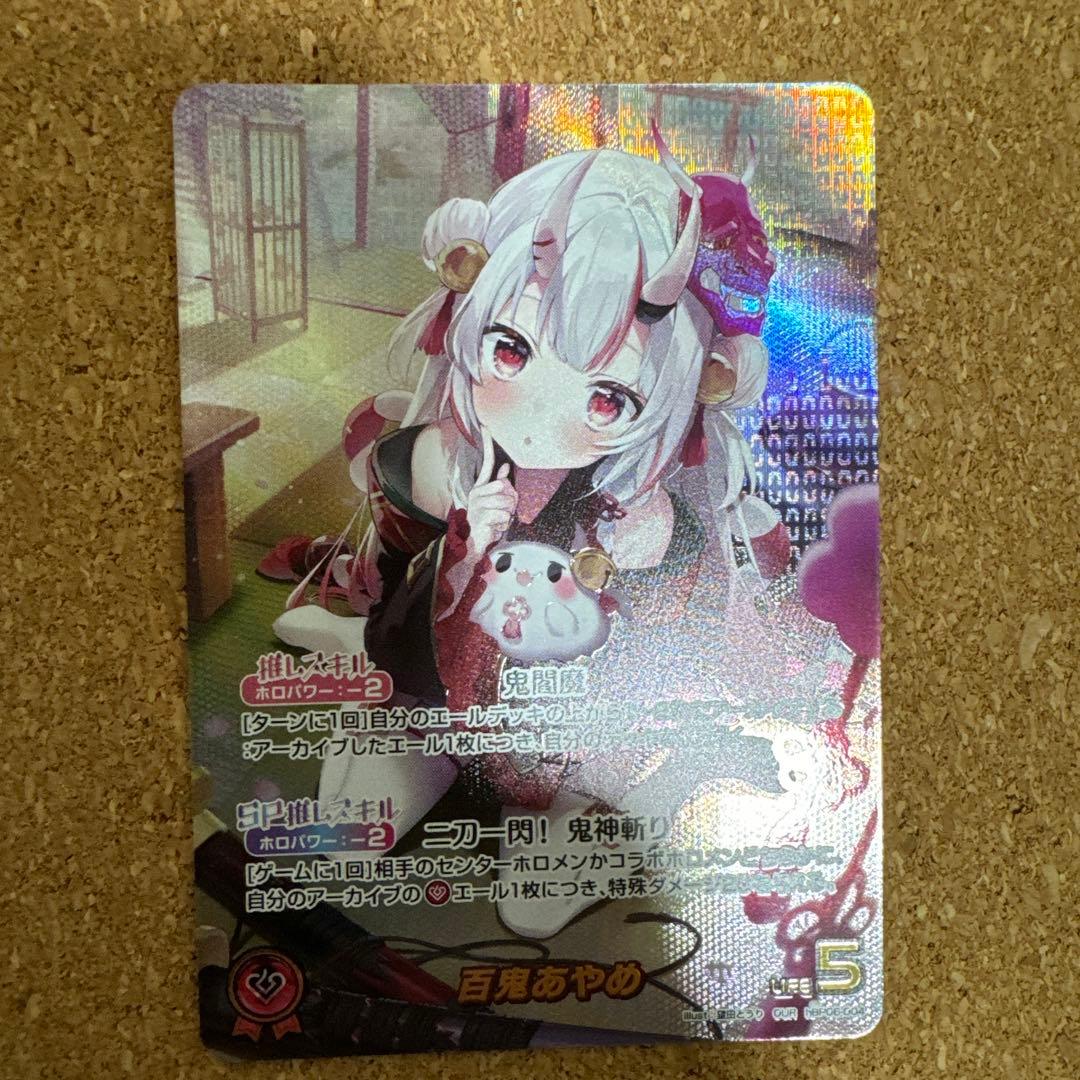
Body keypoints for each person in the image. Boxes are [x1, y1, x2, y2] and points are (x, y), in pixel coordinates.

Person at [271, 133, 795, 937]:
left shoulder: (640, 520)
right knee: (341, 843)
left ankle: (664, 781)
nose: (542, 415)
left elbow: (645, 657)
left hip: (566, 743)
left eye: (608, 398)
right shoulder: (445, 456)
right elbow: (402, 564)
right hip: (433, 696)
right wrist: (450, 551)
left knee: (533, 905)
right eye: (511, 348)